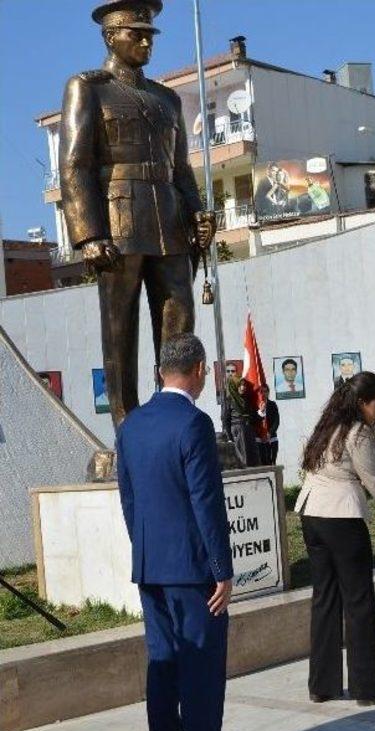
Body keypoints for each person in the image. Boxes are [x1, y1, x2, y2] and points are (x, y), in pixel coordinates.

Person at [116, 333, 260, 731]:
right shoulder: (193, 423)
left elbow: (129, 498)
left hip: (152, 567)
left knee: (162, 670)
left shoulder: (132, 424)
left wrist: (148, 550)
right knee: (200, 674)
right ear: (199, 370)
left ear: (161, 372)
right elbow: (206, 501)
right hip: (193, 572)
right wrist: (222, 568)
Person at [59, 0, 214, 430]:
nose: (146, 41)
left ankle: (175, 413)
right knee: (119, 326)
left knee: (179, 320)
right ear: (111, 36)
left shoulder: (165, 99)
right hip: (118, 222)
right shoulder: (88, 87)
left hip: (169, 220)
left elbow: (180, 168)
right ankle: (126, 423)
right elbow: (75, 164)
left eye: (150, 34)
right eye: (136, 33)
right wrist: (88, 234)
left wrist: (198, 212)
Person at [295, 372, 375, 706]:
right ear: (362, 403)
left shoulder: (328, 426)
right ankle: (368, 687)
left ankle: (322, 685)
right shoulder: (359, 432)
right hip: (342, 516)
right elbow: (374, 481)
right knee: (359, 603)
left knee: (325, 599)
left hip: (311, 513)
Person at [223, 376, 260, 468]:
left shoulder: (246, 400)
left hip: (248, 431)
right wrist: (229, 438)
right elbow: (226, 420)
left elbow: (253, 418)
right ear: (235, 386)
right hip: (237, 432)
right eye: (240, 385)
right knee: (241, 458)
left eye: (244, 385)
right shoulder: (229, 400)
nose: (243, 388)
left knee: (252, 458)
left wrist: (261, 413)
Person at [256, 384, 280, 465]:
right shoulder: (255, 405)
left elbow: (277, 421)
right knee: (263, 463)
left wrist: (270, 433)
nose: (263, 393)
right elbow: (254, 421)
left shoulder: (272, 404)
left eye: (265, 391)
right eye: (261, 391)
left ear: (268, 392)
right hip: (260, 439)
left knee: (272, 462)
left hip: (271, 438)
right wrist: (260, 411)